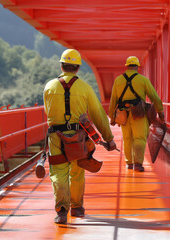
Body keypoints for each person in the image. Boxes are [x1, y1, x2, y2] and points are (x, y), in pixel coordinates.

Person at [43, 49, 116, 224]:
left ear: (61, 65)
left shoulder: (49, 86)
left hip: (56, 137)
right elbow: (98, 114)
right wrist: (108, 138)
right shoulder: (85, 88)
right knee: (76, 172)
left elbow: (47, 111)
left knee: (59, 172)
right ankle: (76, 207)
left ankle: (61, 210)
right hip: (78, 138)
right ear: (77, 68)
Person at [108, 56, 164, 172]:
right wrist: (160, 112)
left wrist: (112, 117)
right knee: (139, 138)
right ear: (137, 67)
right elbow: (155, 98)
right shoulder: (143, 80)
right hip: (139, 114)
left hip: (123, 115)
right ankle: (138, 164)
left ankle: (129, 163)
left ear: (127, 66)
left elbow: (113, 100)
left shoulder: (118, 80)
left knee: (127, 139)